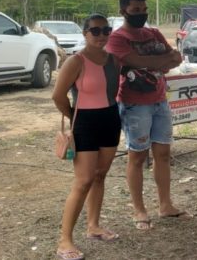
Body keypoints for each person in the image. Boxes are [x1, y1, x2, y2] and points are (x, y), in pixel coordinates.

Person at [105, 0, 187, 231]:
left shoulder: (153, 33)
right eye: (136, 10)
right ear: (123, 11)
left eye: (143, 9)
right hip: (134, 103)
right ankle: (139, 210)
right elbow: (145, 62)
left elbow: (176, 58)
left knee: (163, 154)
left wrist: (154, 61)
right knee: (137, 156)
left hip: (159, 99)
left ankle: (165, 205)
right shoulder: (117, 39)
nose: (141, 14)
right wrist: (156, 61)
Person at [52, 15, 122, 260]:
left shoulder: (114, 60)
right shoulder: (76, 61)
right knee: (83, 182)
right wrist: (73, 116)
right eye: (95, 30)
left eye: (106, 30)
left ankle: (94, 226)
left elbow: (112, 91)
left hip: (111, 119)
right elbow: (58, 95)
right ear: (85, 33)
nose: (101, 35)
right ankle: (65, 240)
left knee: (100, 175)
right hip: (85, 123)